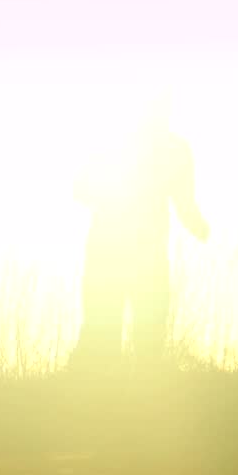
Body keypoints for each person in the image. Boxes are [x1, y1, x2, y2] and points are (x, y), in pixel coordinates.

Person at [69, 89, 208, 373]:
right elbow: (81, 188)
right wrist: (198, 226)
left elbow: (184, 203)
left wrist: (198, 226)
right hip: (118, 251)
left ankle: (129, 391)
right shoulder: (168, 148)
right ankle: (109, 390)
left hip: (125, 251)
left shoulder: (168, 149)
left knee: (140, 326)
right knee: (110, 327)